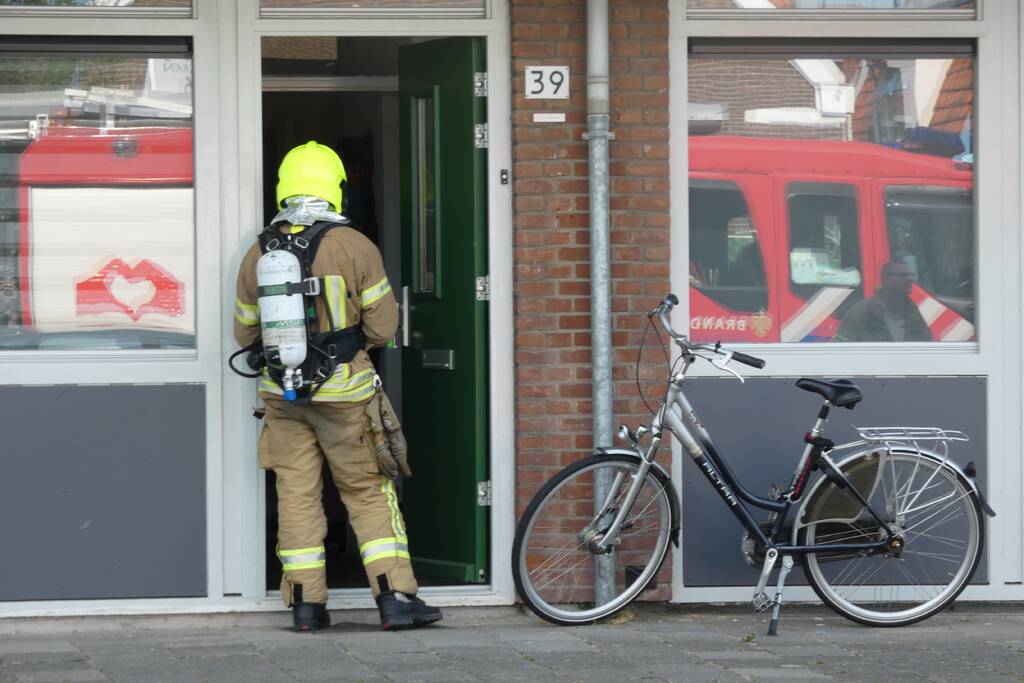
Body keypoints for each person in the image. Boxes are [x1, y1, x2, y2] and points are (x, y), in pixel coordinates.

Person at [233, 140, 442, 632]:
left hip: (281, 395)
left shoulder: (259, 251)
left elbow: (244, 333)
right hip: (346, 394)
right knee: (367, 491)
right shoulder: (356, 246)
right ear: (336, 189)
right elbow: (383, 326)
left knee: (297, 495)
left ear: (284, 187)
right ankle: (394, 599)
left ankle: (306, 606)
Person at [834, 260, 932, 342]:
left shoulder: (915, 315)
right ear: (885, 279)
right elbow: (840, 349)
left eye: (911, 275)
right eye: (903, 275)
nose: (910, 279)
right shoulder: (861, 312)